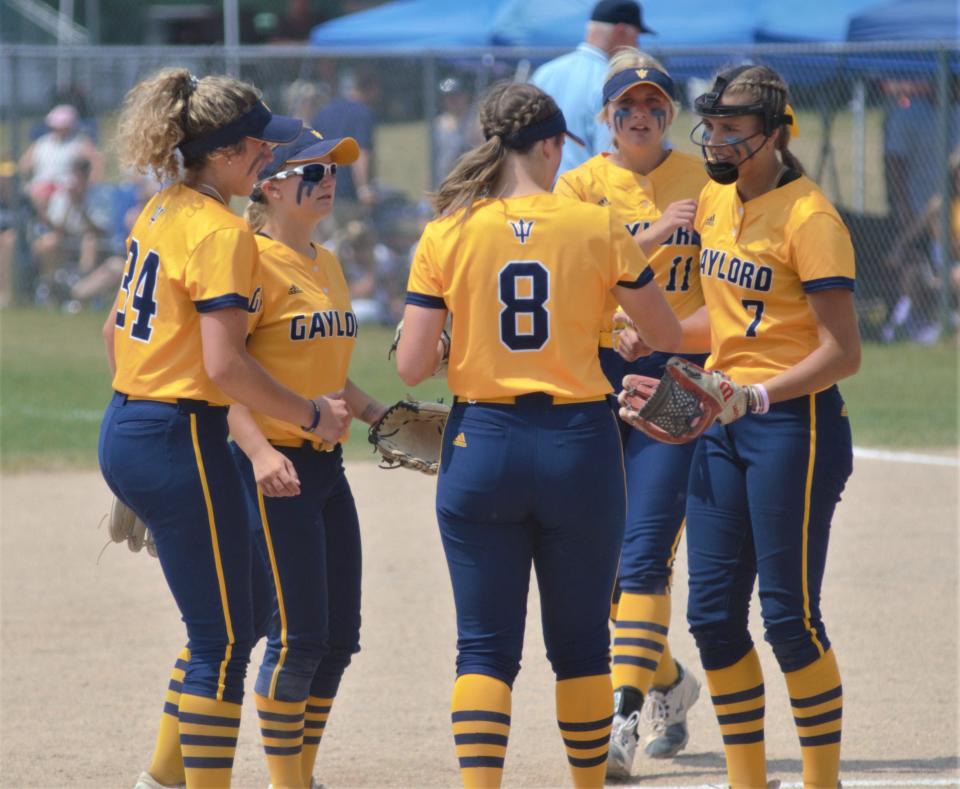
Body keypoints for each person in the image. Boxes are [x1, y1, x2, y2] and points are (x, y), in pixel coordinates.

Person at [395, 81, 681, 789]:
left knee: (484, 650)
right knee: (582, 647)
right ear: (551, 144)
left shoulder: (449, 229)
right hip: (578, 442)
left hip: (483, 441)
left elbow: (410, 364)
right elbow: (667, 334)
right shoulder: (594, 223)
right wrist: (605, 330)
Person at [96, 68, 351, 789]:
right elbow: (226, 366)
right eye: (260, 147)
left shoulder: (162, 208)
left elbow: (113, 333)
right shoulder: (222, 232)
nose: (269, 156)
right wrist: (306, 412)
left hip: (134, 423)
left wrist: (143, 425)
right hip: (179, 437)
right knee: (227, 638)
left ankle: (162, 780)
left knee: (227, 626)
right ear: (230, 154)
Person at [624, 64, 860, 789]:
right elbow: (723, 328)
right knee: (713, 615)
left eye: (733, 128)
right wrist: (650, 338)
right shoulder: (717, 203)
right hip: (724, 418)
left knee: (788, 618)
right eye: (714, 126)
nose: (717, 140)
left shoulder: (809, 217)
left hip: (794, 423)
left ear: (775, 133)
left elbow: (841, 351)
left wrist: (753, 398)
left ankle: (821, 780)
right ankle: (747, 779)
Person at [553, 48, 706, 775]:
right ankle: (670, 680)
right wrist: (651, 235)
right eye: (626, 105)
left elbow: (732, 291)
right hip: (600, 374)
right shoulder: (582, 184)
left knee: (645, 549)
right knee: (603, 560)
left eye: (652, 104)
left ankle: (623, 721)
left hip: (681, 372)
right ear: (606, 117)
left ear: (669, 113)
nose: (639, 115)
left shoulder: (708, 182)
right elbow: (571, 275)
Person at [229, 127, 390, 789]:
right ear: (270, 183)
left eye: (334, 171)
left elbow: (330, 372)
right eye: (313, 171)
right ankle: (285, 781)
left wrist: (387, 417)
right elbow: (222, 375)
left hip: (324, 466)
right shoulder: (252, 262)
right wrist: (261, 450)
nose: (329, 180)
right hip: (273, 468)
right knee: (296, 638)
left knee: (338, 639)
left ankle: (302, 772)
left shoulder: (324, 262)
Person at [530, 0, 654, 176]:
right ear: (620, 31)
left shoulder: (544, 73)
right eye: (636, 36)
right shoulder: (613, 81)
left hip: (542, 193)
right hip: (590, 195)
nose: (638, 45)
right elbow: (612, 155)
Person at [311, 70, 379, 212]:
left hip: (322, 186)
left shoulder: (324, 112)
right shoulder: (363, 113)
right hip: (349, 193)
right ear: (371, 88)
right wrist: (363, 188)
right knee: (357, 231)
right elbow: (361, 152)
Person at [19, 104, 102, 213]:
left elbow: (96, 162)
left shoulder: (79, 142)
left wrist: (90, 186)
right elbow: (24, 164)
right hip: (41, 184)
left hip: (67, 186)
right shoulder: (42, 143)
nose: (60, 129)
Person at [433, 76, 481, 186]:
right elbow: (432, 160)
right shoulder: (438, 124)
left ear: (466, 95)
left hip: (469, 183)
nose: (452, 100)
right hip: (445, 182)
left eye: (456, 96)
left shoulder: (477, 122)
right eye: (448, 97)